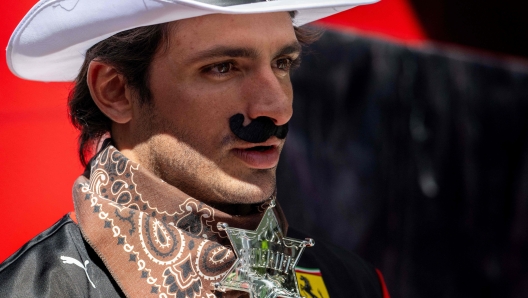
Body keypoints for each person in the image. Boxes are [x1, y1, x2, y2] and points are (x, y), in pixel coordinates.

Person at [0, 0, 389, 297]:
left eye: (283, 63)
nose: (276, 107)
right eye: (222, 67)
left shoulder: (349, 281)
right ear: (115, 91)